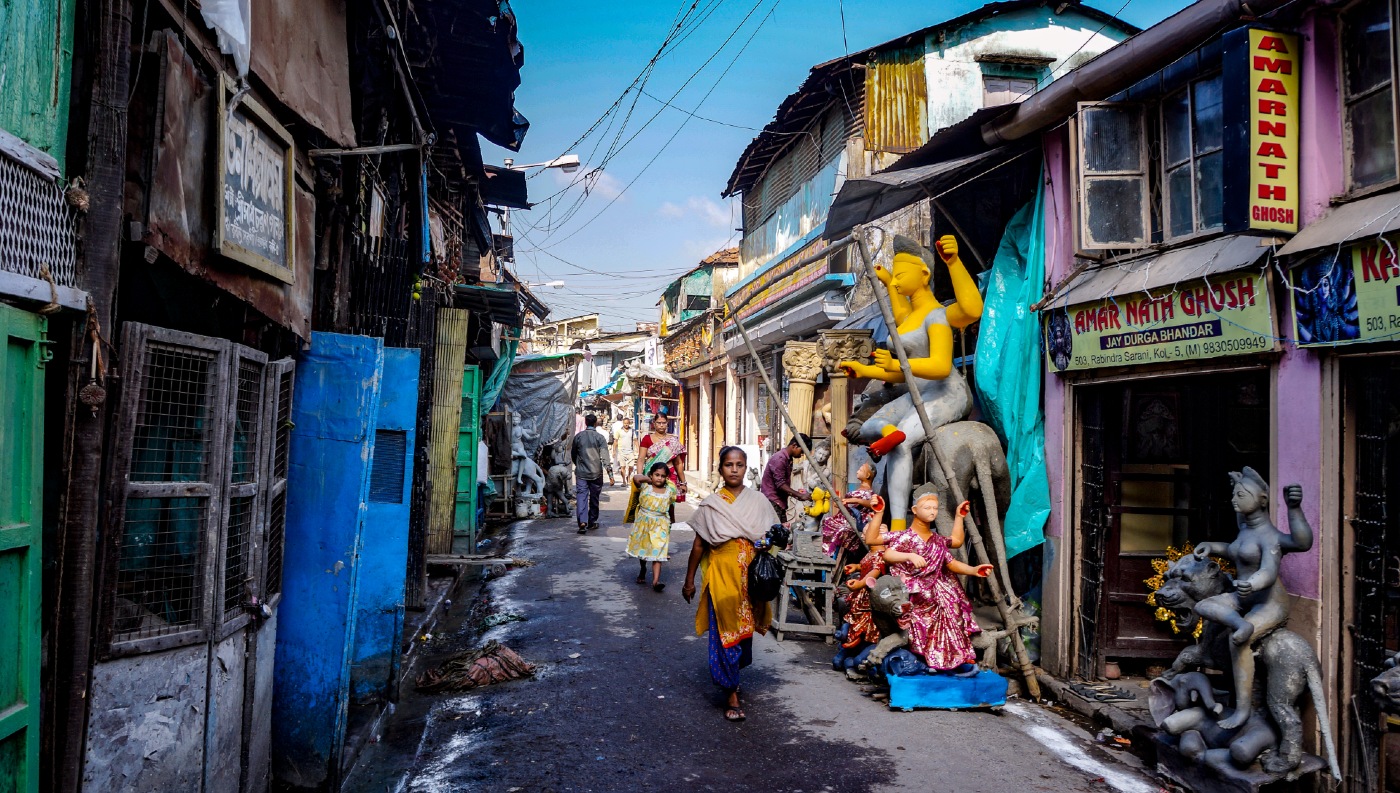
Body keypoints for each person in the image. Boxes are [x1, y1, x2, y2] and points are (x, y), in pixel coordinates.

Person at [839, 235, 983, 531]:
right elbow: (902, 371)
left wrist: (953, 262)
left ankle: (897, 525)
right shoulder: (911, 317)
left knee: (901, 445)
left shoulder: (937, 316)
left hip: (946, 392)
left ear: (924, 274)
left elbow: (942, 365)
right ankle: (890, 432)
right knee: (868, 426)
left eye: (900, 275)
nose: (894, 283)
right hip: (920, 389)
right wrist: (865, 371)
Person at [682, 447, 778, 722]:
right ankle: (731, 693)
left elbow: (772, 536)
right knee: (727, 632)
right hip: (722, 574)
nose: (734, 469)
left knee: (744, 632)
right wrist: (689, 580)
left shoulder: (759, 501)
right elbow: (699, 545)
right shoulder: (711, 504)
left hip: (752, 576)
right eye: (728, 465)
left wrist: (772, 540)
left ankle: (733, 676)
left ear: (746, 467)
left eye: (739, 464)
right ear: (720, 469)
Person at [879, 484, 991, 671]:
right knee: (927, 599)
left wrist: (973, 570)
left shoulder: (937, 540)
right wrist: (910, 556)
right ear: (914, 510)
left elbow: (952, 557)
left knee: (951, 603)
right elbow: (888, 555)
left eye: (935, 508)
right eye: (927, 507)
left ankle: (953, 656)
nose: (932, 512)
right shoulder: (906, 537)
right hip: (915, 588)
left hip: (938, 586)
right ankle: (925, 655)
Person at [627, 462, 682, 592]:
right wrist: (649, 479)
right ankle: (643, 568)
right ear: (651, 475)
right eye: (656, 475)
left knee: (658, 552)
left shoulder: (669, 491)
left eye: (663, 476)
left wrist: (672, 520)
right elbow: (636, 478)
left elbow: (671, 506)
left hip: (660, 524)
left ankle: (656, 581)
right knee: (644, 550)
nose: (659, 478)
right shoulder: (645, 487)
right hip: (644, 523)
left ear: (666, 478)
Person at [821, 462, 879, 558]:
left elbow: (871, 505)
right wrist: (840, 503)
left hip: (853, 522)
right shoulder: (859, 489)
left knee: (840, 531)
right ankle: (825, 554)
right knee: (827, 520)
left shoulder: (869, 493)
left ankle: (832, 556)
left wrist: (854, 500)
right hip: (843, 518)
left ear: (868, 475)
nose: (857, 471)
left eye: (860, 470)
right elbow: (848, 506)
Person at [570, 414, 610, 534]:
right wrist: (610, 474)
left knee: (581, 496)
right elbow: (605, 457)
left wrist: (578, 464)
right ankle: (592, 522)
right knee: (594, 497)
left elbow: (573, 454)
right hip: (596, 472)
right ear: (596, 423)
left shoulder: (578, 437)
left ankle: (582, 522)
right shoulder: (600, 438)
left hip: (581, 472)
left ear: (586, 423)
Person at [760, 435, 812, 520]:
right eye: (802, 451)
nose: (801, 455)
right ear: (794, 446)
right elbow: (780, 484)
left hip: (779, 502)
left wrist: (797, 494)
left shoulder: (787, 459)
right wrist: (799, 495)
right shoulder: (780, 459)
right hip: (772, 502)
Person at [591, 415, 616, 485]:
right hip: (601, 457)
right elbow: (607, 462)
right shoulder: (605, 433)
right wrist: (611, 476)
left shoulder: (586, 434)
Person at [615, 416, 638, 481]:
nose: (626, 424)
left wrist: (638, 450)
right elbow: (615, 441)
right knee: (623, 467)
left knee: (631, 467)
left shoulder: (632, 431)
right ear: (623, 423)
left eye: (627, 423)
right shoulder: (619, 431)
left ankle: (628, 476)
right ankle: (624, 481)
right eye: (625, 423)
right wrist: (614, 451)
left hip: (630, 451)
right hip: (621, 451)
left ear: (629, 423)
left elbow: (635, 440)